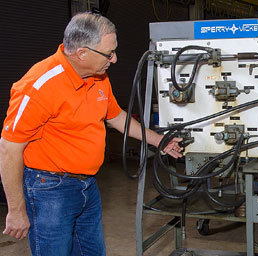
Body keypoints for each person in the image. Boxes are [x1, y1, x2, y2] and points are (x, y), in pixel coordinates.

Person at [0, 12, 182, 255]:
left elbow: (116, 116)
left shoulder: (98, 77)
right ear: (82, 53)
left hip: (88, 185)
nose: (115, 59)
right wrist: (16, 210)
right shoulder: (38, 86)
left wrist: (159, 140)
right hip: (50, 191)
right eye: (109, 53)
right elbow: (9, 147)